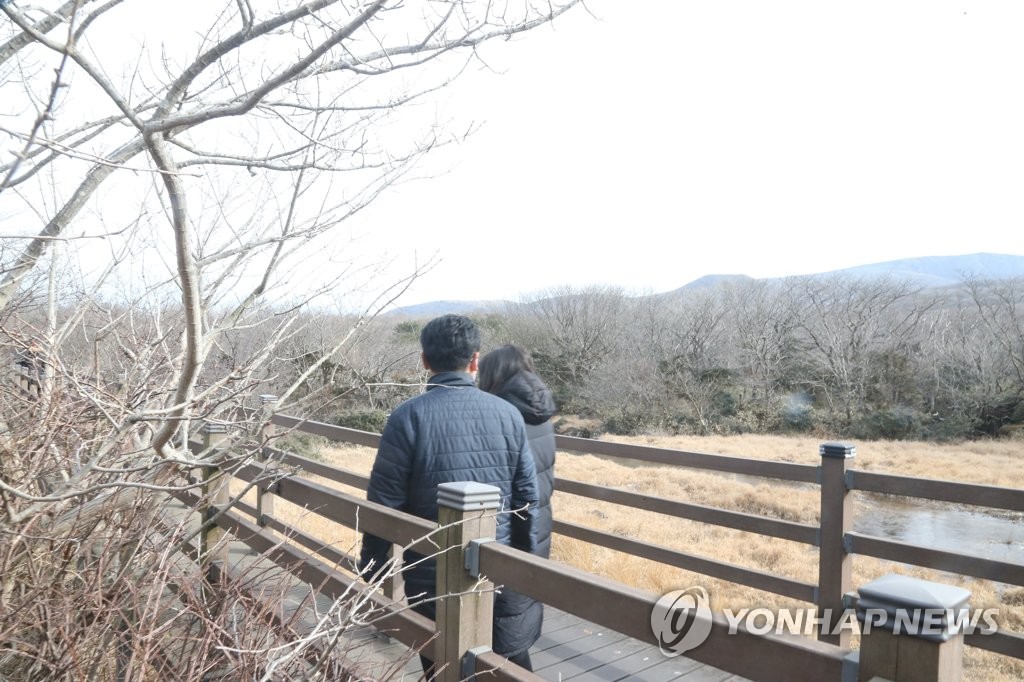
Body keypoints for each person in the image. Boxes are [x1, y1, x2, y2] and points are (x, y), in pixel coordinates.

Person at [357, 314, 539, 678]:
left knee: (439, 664)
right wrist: (525, 566)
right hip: (496, 566)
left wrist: (373, 564)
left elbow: (384, 501)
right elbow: (526, 499)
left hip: (429, 570)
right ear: (475, 360)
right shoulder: (508, 415)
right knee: (501, 666)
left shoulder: (407, 417)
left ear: (425, 361)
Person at [477, 344, 557, 673]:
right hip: (538, 522)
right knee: (517, 610)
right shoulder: (541, 412)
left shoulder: (501, 414)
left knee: (501, 629)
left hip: (510, 524)